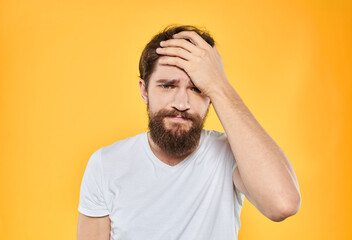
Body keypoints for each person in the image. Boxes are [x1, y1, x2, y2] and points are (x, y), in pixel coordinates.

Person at [77, 24, 301, 240]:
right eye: (167, 86)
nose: (181, 103)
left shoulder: (231, 154)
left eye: (196, 88)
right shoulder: (106, 164)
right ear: (144, 91)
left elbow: (283, 204)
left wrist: (218, 84)